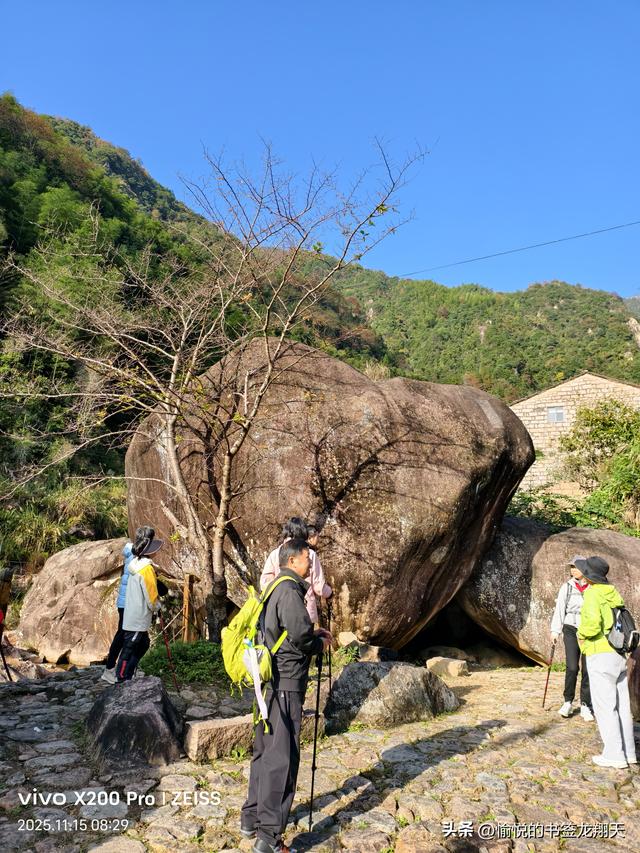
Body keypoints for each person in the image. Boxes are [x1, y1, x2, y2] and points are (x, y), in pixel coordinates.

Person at [241, 538, 332, 853]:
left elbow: (286, 630)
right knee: (282, 758)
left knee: (264, 753)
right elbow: (301, 637)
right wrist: (320, 643)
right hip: (286, 684)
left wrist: (311, 634)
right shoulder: (291, 590)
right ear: (292, 560)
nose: (310, 562)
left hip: (268, 683)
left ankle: (251, 819)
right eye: (307, 557)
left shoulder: (273, 587)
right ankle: (269, 838)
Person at [576, 555, 637, 769]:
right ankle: (629, 752)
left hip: (600, 654)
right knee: (622, 707)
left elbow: (593, 625)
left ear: (589, 575)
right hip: (618, 654)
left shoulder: (593, 593)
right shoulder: (613, 592)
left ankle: (613, 755)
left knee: (605, 706)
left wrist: (580, 633)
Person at [260, 517, 332, 625]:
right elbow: (318, 586)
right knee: (305, 635)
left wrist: (279, 596)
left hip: (280, 612)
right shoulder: (309, 554)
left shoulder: (274, 554)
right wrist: (329, 593)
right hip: (305, 611)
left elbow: (265, 583)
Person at [115, 526, 163, 682]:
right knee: (129, 647)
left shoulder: (136, 563)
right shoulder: (146, 569)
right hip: (138, 617)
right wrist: (158, 607)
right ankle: (122, 678)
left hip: (132, 612)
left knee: (143, 644)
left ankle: (128, 674)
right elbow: (151, 596)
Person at [550, 555, 594, 720]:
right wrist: (555, 631)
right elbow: (560, 609)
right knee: (572, 667)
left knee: (588, 669)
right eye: (571, 567)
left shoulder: (592, 587)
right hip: (570, 628)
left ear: (584, 568)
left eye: (576, 567)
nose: (573, 570)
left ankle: (585, 705)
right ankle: (568, 701)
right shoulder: (567, 587)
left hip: (588, 630)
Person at [101, 537, 136, 684]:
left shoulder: (131, 553)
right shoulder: (135, 557)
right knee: (123, 636)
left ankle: (121, 670)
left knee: (127, 636)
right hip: (128, 603)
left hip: (125, 602)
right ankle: (112, 670)